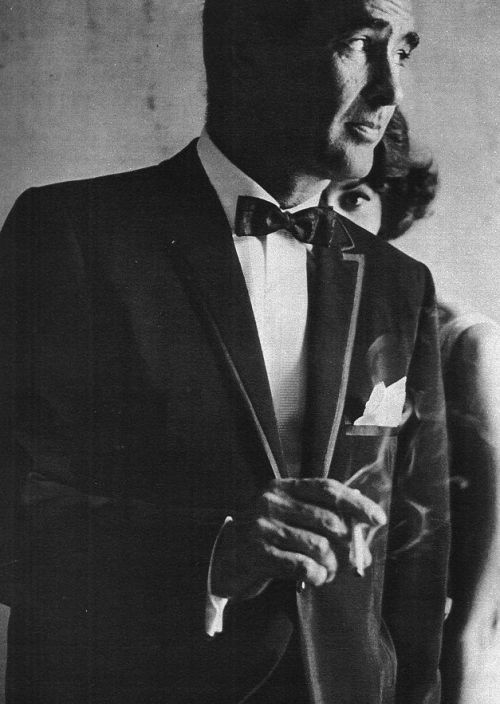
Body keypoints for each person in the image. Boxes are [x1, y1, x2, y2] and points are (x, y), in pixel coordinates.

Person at [0, 2, 450, 703]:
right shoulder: (71, 233)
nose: (390, 91)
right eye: (360, 43)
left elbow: (417, 563)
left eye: (403, 52)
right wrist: (212, 552)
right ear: (245, 50)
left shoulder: (401, 283)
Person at [325, 107, 500, 704]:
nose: (328, 221)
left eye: (355, 198)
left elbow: (483, 604)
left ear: (390, 208)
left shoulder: (464, 346)